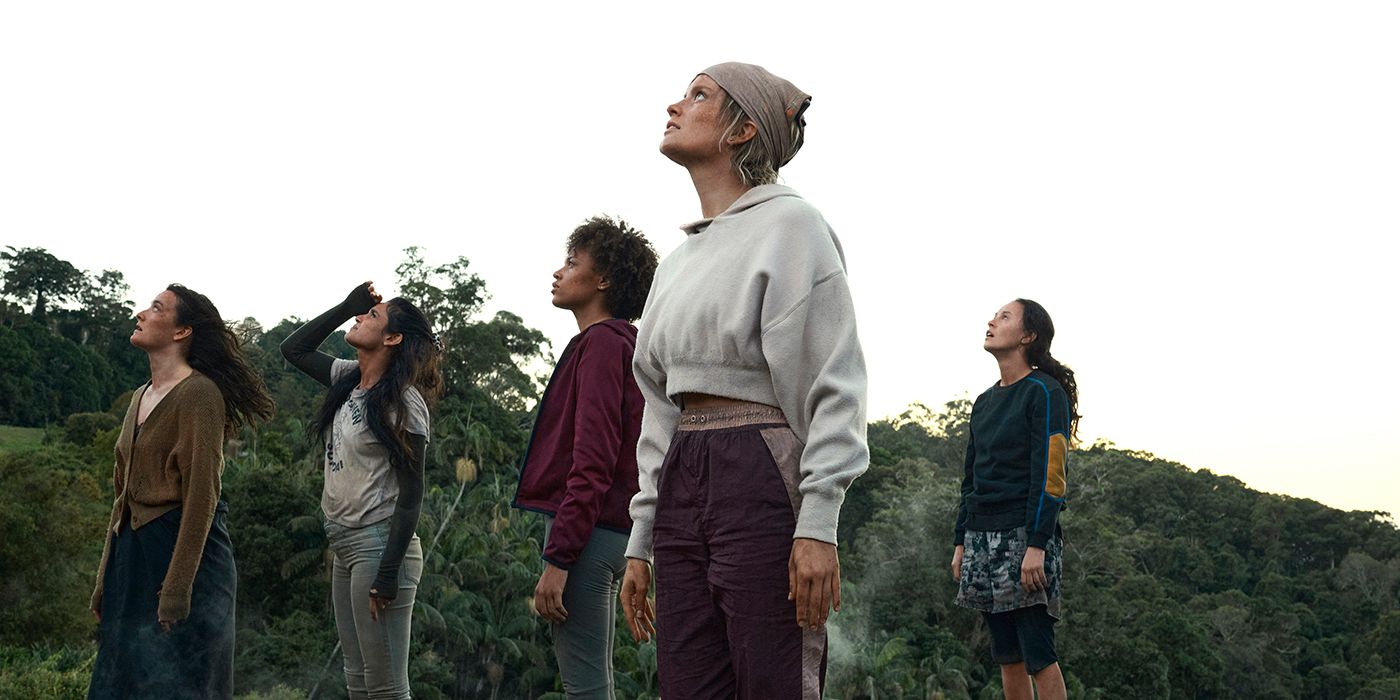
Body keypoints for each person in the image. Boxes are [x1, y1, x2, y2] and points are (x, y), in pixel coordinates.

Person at [618, 62, 869, 700]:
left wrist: (818, 524)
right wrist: (641, 538)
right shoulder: (675, 263)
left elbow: (833, 382)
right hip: (683, 473)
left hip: (759, 465)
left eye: (698, 94)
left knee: (774, 677)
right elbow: (657, 408)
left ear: (742, 130)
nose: (675, 104)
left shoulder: (794, 227)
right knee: (688, 683)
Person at [89, 284, 274, 699]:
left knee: (183, 683)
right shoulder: (140, 396)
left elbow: (202, 497)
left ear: (181, 332)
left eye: (156, 308)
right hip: (132, 554)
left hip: (185, 558)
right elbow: (122, 500)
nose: (141, 313)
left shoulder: (200, 395)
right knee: (121, 679)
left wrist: (176, 589)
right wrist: (105, 578)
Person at [512, 215, 658, 698]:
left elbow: (593, 461)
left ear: (603, 280)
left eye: (572, 263)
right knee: (598, 682)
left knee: (585, 687)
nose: (559, 272)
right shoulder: (628, 346)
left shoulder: (598, 345)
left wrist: (559, 559)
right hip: (620, 534)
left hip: (587, 535)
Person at [281, 282, 442, 700]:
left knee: (386, 687)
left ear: (392, 338)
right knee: (357, 680)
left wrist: (387, 574)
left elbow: (412, 494)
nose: (360, 318)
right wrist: (344, 306)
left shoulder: (403, 402)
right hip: (345, 543)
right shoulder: (349, 379)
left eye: (371, 316)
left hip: (380, 546)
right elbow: (293, 350)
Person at [952, 298, 1078, 700]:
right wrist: (960, 542)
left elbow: (1052, 475)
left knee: (1037, 652)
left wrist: (1037, 545)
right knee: (1007, 655)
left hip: (1025, 539)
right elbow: (971, 477)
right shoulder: (984, 402)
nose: (991, 321)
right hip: (980, 537)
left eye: (1004, 316)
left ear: (1027, 336)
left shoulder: (1045, 392)